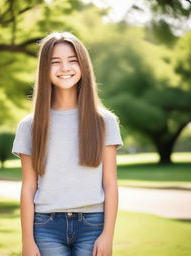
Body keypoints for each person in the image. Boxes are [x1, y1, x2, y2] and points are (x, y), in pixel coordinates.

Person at [12, 31, 123, 256]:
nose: (65, 68)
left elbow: (110, 183)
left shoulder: (105, 121)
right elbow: (28, 187)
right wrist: (27, 241)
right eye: (55, 62)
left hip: (93, 225)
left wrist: (108, 235)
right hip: (45, 227)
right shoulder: (29, 126)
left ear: (84, 66)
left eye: (73, 60)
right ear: (45, 69)